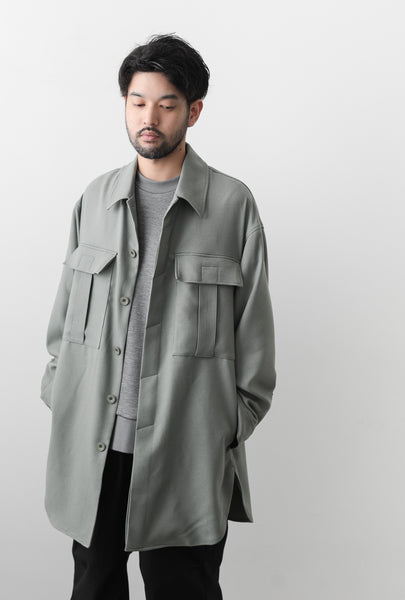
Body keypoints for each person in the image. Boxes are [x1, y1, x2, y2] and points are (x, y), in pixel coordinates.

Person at [40, 33, 276, 600]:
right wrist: (60, 390)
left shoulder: (232, 206)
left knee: (183, 591)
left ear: (193, 111)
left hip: (185, 456)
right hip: (95, 450)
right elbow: (63, 322)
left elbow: (255, 337)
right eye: (138, 102)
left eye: (167, 104)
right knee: (93, 589)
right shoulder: (95, 199)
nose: (149, 118)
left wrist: (226, 425)